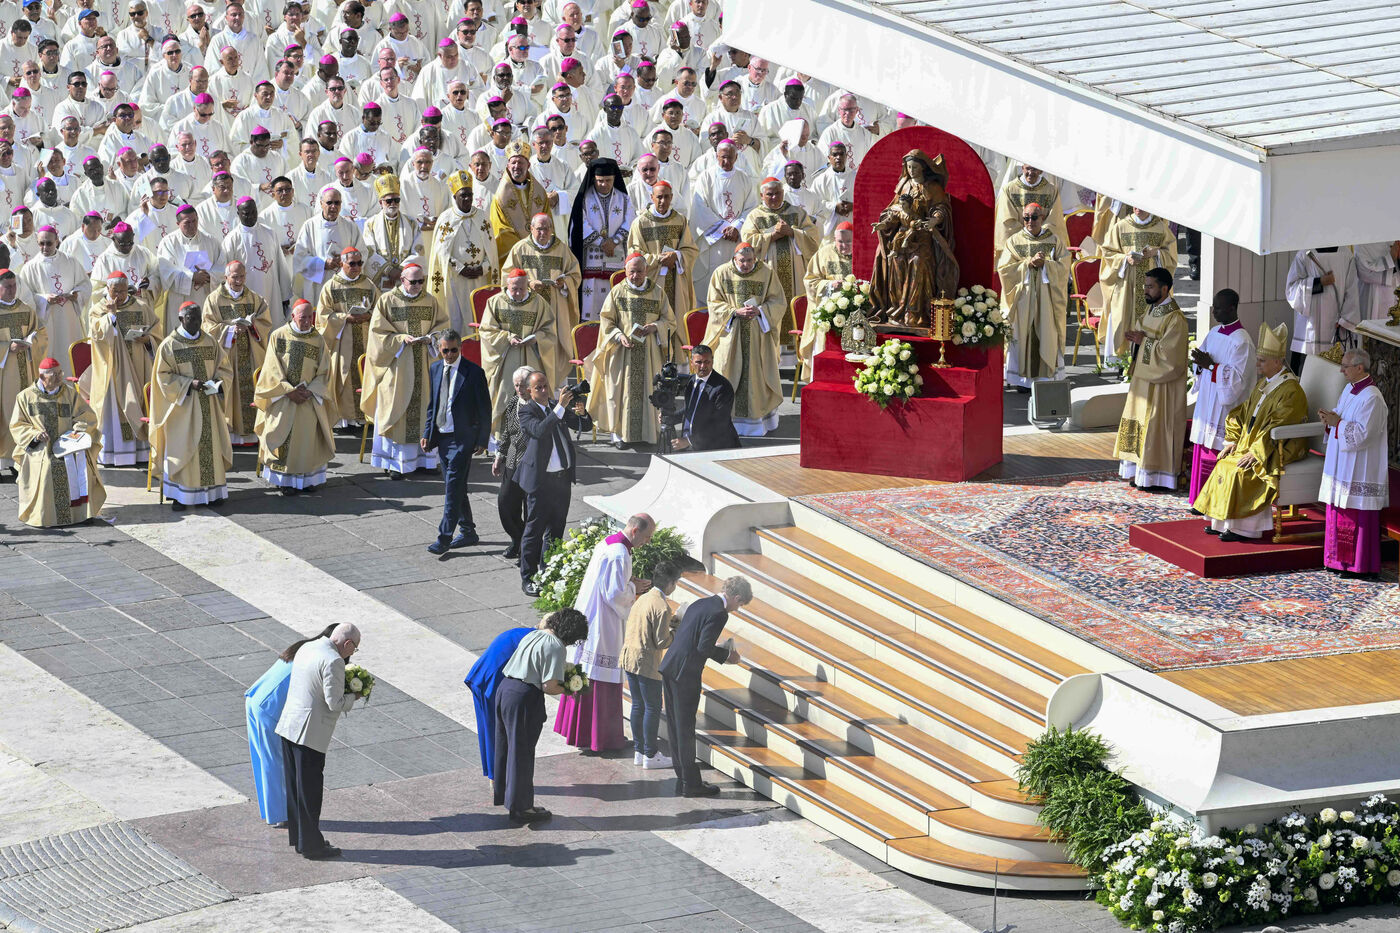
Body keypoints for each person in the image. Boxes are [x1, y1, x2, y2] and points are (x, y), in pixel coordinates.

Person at [1195, 323, 1309, 541]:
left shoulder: (1291, 390)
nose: (1257, 364)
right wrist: (1232, 440)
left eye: (1262, 360)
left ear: (1278, 362)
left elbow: (1279, 426)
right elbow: (1243, 412)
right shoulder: (1264, 383)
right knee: (1224, 463)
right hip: (1252, 443)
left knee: (1241, 470)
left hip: (1277, 448)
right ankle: (1221, 522)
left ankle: (1246, 530)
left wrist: (1256, 452)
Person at [555, 513, 656, 752]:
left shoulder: (609, 543)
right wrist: (634, 588)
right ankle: (601, 739)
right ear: (635, 531)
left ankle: (581, 734)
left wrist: (629, 581)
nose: (648, 542)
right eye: (647, 536)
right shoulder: (619, 554)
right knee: (601, 678)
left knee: (587, 671)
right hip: (604, 623)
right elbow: (614, 595)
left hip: (592, 615)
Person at [274, 621, 364, 860]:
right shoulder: (333, 660)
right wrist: (354, 696)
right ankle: (312, 847)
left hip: (289, 726)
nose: (352, 653)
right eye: (354, 648)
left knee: (295, 789)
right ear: (347, 643)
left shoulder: (308, 647)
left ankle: (301, 840)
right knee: (310, 792)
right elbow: (334, 702)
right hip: (309, 733)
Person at [495, 607, 589, 824]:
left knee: (506, 747)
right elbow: (549, 686)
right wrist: (570, 689)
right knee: (522, 753)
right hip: (523, 697)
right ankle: (523, 808)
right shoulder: (556, 646)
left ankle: (508, 798)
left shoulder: (534, 634)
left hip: (505, 689)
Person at [661, 575, 749, 797]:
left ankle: (682, 778)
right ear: (737, 597)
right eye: (740, 605)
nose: (737, 609)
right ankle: (691, 784)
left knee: (674, 725)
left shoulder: (701, 602)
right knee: (685, 728)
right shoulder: (720, 613)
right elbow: (703, 647)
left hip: (671, 666)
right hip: (685, 674)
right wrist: (728, 655)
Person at [361, 262, 449, 477]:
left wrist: (432, 338)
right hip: (397, 367)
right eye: (413, 282)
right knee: (396, 411)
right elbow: (377, 334)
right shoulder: (387, 300)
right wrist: (400, 339)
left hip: (425, 366)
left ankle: (426, 461)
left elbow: (443, 326)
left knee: (426, 410)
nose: (418, 285)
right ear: (402, 280)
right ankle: (395, 464)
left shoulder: (430, 301)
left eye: (421, 281)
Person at [244, 624, 336, 827]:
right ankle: (280, 816)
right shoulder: (323, 658)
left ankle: (273, 811)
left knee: (264, 760)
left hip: (256, 697)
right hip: (268, 707)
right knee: (274, 762)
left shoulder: (303, 647)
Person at [587, 252, 682, 449]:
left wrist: (655, 326)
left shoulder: (657, 292)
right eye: (631, 272)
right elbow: (607, 321)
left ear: (646, 271)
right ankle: (619, 435)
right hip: (622, 353)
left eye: (639, 271)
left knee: (649, 391)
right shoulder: (617, 292)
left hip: (649, 353)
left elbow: (670, 321)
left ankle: (648, 434)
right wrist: (618, 336)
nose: (635, 276)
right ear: (625, 270)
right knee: (619, 393)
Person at [151, 300, 234, 511]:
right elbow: (162, 377)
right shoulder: (169, 345)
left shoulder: (210, 342)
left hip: (209, 405)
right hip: (183, 408)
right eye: (191, 318)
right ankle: (180, 495)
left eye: (198, 318)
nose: (196, 322)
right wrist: (189, 384)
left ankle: (213, 492)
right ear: (181, 319)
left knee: (211, 447)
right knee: (183, 449)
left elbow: (224, 368)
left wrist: (218, 383)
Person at [1114, 268, 1189, 490]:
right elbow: (1144, 335)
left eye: (1150, 286)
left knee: (1155, 427)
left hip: (1162, 387)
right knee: (1139, 424)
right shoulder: (1152, 309)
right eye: (1145, 286)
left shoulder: (1175, 319)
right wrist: (1136, 338)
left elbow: (1171, 358)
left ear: (1164, 289)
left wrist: (1144, 341)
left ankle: (1156, 477)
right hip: (1143, 381)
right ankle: (1138, 472)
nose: (1145, 290)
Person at [1318, 347, 1390, 578]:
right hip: (1342, 463)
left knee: (1355, 514)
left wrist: (1337, 423)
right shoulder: (1349, 388)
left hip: (1360, 467)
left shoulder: (1372, 398)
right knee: (1338, 509)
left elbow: (1363, 435)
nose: (1341, 370)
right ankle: (1336, 561)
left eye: (1345, 366)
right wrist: (1329, 419)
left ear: (1360, 367)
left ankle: (1358, 566)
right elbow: (1340, 415)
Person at [517, 371, 591, 595]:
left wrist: (582, 413)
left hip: (562, 480)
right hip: (541, 482)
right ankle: (528, 577)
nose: (543, 390)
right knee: (534, 531)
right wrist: (559, 407)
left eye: (545, 386)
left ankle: (549, 571)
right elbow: (539, 431)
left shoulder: (555, 406)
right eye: (537, 388)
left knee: (556, 529)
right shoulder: (526, 411)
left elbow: (584, 426)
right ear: (529, 391)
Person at [10, 356, 106, 527]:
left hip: (69, 445)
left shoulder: (69, 393)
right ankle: (44, 516)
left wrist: (78, 429)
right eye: (54, 374)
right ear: (42, 377)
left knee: (82, 463)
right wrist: (35, 435)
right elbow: (17, 425)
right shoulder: (25, 397)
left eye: (60, 373)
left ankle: (81, 514)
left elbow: (86, 415)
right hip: (41, 447)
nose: (59, 377)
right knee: (48, 466)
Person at [254, 299, 335, 495]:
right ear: (292, 316)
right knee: (283, 438)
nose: (307, 322)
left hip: (308, 399)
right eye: (302, 317)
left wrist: (310, 390)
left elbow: (325, 371)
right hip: (283, 399)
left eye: (310, 317)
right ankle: (285, 481)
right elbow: (271, 369)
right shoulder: (278, 336)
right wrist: (288, 390)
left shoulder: (318, 339)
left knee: (308, 440)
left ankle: (308, 479)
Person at [703, 242, 784, 436]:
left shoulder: (767, 273)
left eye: (750, 260)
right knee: (727, 373)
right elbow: (713, 303)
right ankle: (725, 421)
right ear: (734, 258)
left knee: (756, 377)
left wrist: (760, 311)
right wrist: (734, 312)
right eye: (742, 261)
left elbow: (778, 301)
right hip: (730, 336)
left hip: (757, 336)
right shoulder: (721, 273)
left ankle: (757, 424)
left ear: (755, 258)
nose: (746, 265)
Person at [422, 328, 492, 554]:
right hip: (442, 436)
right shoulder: (435, 369)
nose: (450, 355)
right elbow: (433, 405)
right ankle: (468, 531)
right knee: (456, 485)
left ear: (460, 348)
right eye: (445, 351)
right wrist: (427, 433)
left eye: (454, 350)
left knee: (452, 488)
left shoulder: (474, 372)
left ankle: (444, 538)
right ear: (439, 349)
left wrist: (482, 439)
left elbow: (485, 408)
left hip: (463, 439)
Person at [1187, 289, 1255, 507]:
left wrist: (1211, 366)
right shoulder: (1214, 332)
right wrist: (1199, 363)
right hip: (1208, 398)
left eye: (1218, 308)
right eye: (1213, 307)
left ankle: (1212, 502)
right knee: (1202, 447)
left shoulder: (1242, 341)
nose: (1214, 312)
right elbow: (1204, 362)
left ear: (1232, 308)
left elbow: (1239, 380)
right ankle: (1198, 499)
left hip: (1224, 405)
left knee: (1216, 449)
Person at [88, 270, 159, 467]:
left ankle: (141, 453)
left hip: (138, 366)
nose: (119, 295)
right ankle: (114, 454)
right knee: (115, 408)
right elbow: (96, 335)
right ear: (107, 289)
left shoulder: (141, 306)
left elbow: (157, 331)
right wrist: (110, 316)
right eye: (115, 291)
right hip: (112, 368)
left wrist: (148, 339)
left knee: (139, 401)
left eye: (122, 291)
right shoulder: (98, 309)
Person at [479, 267, 564, 430]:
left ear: (527, 286)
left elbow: (550, 330)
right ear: (507, 285)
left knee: (533, 395)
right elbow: (486, 331)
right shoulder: (495, 302)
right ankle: (500, 435)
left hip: (531, 356)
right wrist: (507, 337)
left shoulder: (538, 303)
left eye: (522, 289)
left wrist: (536, 337)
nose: (518, 293)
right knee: (504, 396)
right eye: (514, 289)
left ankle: (534, 433)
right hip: (505, 359)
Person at [997, 200, 1069, 390]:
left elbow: (1064, 267)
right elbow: (1004, 269)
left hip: (1048, 299)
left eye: (1034, 217)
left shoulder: (1054, 240)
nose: (1030, 221)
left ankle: (1045, 379)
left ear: (1042, 218)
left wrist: (1046, 265)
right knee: (1022, 335)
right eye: (1026, 218)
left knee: (1047, 334)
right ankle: (1021, 381)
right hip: (1023, 299)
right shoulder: (1014, 241)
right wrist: (1027, 264)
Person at [203, 259, 273, 447]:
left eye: (242, 276)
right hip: (227, 356)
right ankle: (231, 436)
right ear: (226, 277)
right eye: (235, 277)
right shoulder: (214, 299)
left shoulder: (254, 298)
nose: (239, 281)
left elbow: (265, 322)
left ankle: (253, 434)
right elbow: (208, 327)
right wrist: (231, 330)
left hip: (251, 353)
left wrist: (251, 326)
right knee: (230, 393)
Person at [740, 176, 819, 341]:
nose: (774, 197)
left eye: (778, 193)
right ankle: (772, 348)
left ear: (783, 193)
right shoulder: (754, 216)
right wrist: (771, 235)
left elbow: (813, 239)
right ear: (762, 196)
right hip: (768, 271)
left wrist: (792, 232)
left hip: (795, 273)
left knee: (795, 307)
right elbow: (748, 243)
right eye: (770, 194)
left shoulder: (797, 212)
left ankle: (796, 346)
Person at [1098, 207, 1178, 367]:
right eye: (1134, 205)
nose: (1137, 208)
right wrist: (1125, 259)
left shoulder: (1160, 228)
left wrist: (1157, 253)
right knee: (1124, 321)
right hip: (1127, 288)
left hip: (1153, 289)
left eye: (1140, 205)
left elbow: (1172, 256)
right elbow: (1107, 252)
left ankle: (1149, 361)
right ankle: (1124, 364)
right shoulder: (1121, 226)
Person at [502, 212, 580, 375]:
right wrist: (528, 284)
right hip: (528, 308)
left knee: (555, 348)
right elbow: (507, 277)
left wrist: (564, 283)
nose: (543, 233)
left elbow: (575, 275)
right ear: (531, 229)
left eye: (547, 228)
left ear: (552, 229)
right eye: (539, 229)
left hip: (555, 309)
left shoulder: (561, 249)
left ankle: (555, 383)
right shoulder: (520, 248)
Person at [620, 558, 680, 770]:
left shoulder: (644, 598)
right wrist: (677, 631)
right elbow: (662, 641)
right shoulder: (662, 606)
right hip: (646, 661)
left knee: (638, 705)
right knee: (652, 707)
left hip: (629, 656)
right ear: (671, 583)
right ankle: (651, 754)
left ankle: (640, 751)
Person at [425, 169, 498, 334]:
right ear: (454, 196)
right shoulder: (446, 219)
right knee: (457, 321)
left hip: (480, 278)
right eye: (463, 195)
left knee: (480, 317)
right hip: (456, 280)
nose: (467, 199)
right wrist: (460, 268)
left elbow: (491, 249)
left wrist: (483, 268)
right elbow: (441, 253)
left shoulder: (482, 216)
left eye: (470, 195)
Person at [315, 246, 379, 431]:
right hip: (342, 341)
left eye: (360, 263)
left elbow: (381, 310)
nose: (357, 267)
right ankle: (344, 418)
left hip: (366, 339)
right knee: (343, 376)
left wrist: (369, 315)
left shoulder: (368, 285)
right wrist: (345, 318)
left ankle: (365, 415)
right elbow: (323, 317)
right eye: (352, 264)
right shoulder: (331, 287)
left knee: (366, 373)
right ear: (342, 264)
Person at [568, 156, 635, 322]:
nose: (604, 184)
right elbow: (580, 223)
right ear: (594, 179)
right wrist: (601, 242)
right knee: (590, 301)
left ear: (614, 178)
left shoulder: (624, 198)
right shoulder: (584, 198)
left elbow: (630, 221)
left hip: (616, 256)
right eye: (600, 181)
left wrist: (615, 241)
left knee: (615, 297)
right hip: (591, 259)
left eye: (608, 180)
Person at [464, 624, 533, 780]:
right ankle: (497, 777)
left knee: (488, 729)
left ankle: (494, 775)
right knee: (495, 731)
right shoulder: (536, 640)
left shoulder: (522, 632)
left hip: (481, 677)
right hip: (489, 682)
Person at [626, 181, 698, 329]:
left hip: (676, 281)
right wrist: (659, 259)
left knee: (677, 321)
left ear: (672, 197)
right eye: (659, 197)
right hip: (652, 280)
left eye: (666, 197)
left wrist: (676, 256)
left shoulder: (680, 220)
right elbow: (634, 254)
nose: (663, 201)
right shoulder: (641, 222)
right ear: (652, 197)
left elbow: (691, 249)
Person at [1285, 246, 1359, 373]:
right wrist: (1319, 282)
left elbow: (1353, 291)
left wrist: (1346, 320)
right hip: (1310, 329)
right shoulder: (1304, 254)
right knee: (1305, 374)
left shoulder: (1346, 255)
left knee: (1335, 377)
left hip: (1337, 327)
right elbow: (1291, 289)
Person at [0, 269, 42, 478]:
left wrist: (32, 341)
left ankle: (19, 462)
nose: (11, 290)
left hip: (25, 370)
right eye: (7, 287)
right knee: (4, 414)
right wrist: (7, 347)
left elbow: (41, 333)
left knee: (23, 414)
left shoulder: (26, 310)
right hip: (4, 374)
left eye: (14, 286)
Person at [797, 221, 852, 381]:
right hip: (827, 313)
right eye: (840, 242)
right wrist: (828, 285)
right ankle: (821, 381)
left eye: (848, 242)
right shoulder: (823, 254)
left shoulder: (860, 255)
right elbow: (810, 281)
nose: (844, 246)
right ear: (834, 239)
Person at [493, 365, 534, 562]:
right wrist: (499, 455)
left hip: (532, 464)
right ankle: (517, 539)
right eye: (516, 385)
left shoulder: (540, 405)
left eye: (523, 385)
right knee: (505, 503)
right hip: (512, 460)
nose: (519, 389)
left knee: (530, 508)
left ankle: (526, 551)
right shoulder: (513, 403)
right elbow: (507, 431)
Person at [489, 139, 550, 265]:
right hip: (514, 257)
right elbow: (501, 231)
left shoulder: (540, 193)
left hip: (539, 253)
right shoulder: (500, 197)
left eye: (521, 162)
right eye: (513, 162)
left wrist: (540, 244)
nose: (517, 166)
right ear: (508, 166)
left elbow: (548, 222)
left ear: (528, 165)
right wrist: (525, 249)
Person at [671, 343, 738, 452]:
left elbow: (719, 424)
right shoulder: (691, 381)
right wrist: (669, 417)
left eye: (707, 362)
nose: (703, 366)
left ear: (712, 362)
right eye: (698, 362)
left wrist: (689, 440)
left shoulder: (722, 387)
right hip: (691, 448)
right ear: (691, 363)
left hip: (717, 449)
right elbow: (690, 410)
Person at [993, 164, 1068, 258]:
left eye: (1034, 169)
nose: (1030, 173)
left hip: (1044, 244)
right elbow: (1007, 222)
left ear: (1041, 170)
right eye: (1028, 169)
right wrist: (1027, 236)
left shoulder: (1051, 190)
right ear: (1022, 168)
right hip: (1017, 244)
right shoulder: (1009, 190)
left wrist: (1039, 235)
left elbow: (1054, 221)